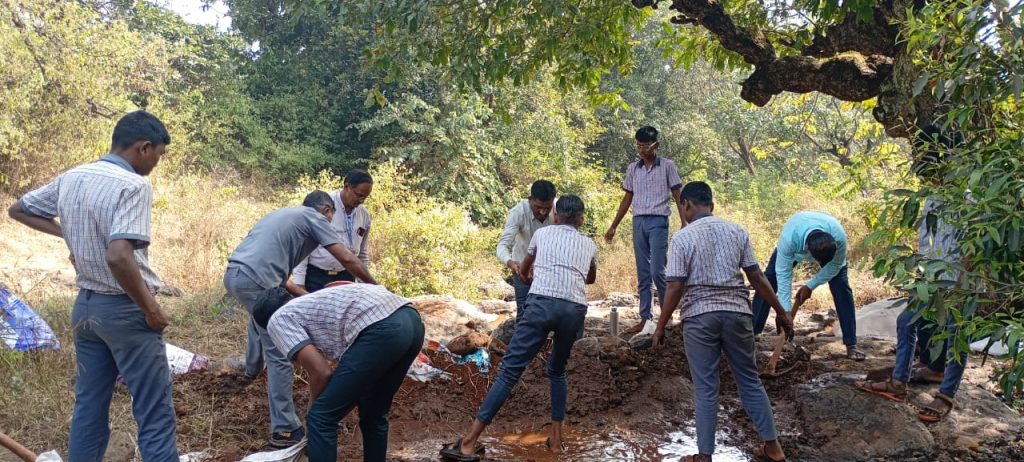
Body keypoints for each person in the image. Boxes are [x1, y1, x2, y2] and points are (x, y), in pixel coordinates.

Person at [7, 111, 179, 461]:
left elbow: (19, 208)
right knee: (154, 411)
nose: (156, 164)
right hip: (125, 310)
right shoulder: (133, 185)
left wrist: (66, 234)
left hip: (86, 309)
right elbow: (119, 256)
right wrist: (151, 308)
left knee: (89, 406)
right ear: (144, 147)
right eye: (159, 156)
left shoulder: (74, 176)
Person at [440, 195, 597, 461]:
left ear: (555, 216)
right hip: (574, 310)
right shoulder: (590, 244)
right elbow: (590, 278)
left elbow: (524, 271)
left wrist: (529, 276)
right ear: (581, 220)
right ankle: (556, 441)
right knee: (557, 371)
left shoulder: (543, 234)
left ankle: (468, 443)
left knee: (509, 372)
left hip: (541, 305)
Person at [223, 191, 378, 448]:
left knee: (260, 316)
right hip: (257, 280)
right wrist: (375, 286)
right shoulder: (314, 217)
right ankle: (284, 429)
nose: (328, 224)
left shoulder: (283, 215)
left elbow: (280, 277)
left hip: (236, 274)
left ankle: (251, 368)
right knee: (280, 353)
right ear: (326, 210)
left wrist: (303, 295)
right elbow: (347, 257)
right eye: (330, 218)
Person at [652, 181, 793, 462]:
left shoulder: (682, 238)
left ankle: (704, 456)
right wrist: (781, 311)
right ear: (712, 206)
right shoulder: (736, 231)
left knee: (706, 387)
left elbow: (675, 286)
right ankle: (774, 449)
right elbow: (757, 277)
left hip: (699, 318)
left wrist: (660, 327)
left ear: (687, 205)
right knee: (750, 382)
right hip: (738, 313)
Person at [855, 124, 968, 422]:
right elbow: (925, 241)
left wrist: (962, 282)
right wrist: (919, 276)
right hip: (932, 279)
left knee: (958, 334)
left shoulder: (968, 197)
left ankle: (946, 395)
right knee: (907, 321)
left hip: (960, 280)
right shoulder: (933, 196)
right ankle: (898, 382)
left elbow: (974, 245)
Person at [252, 282, 424, 462]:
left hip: (381, 329)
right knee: (373, 414)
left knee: (320, 419)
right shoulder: (313, 303)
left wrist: (314, 412)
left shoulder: (278, 319)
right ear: (289, 298)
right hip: (411, 321)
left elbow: (321, 372)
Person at [750, 211, 866, 361]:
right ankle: (752, 333)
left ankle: (851, 344)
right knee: (768, 281)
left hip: (833, 258)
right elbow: (783, 275)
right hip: (794, 241)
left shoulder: (839, 238)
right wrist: (785, 312)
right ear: (807, 250)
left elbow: (835, 265)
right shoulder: (789, 239)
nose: (819, 265)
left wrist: (810, 285)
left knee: (842, 287)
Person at [604, 126, 685, 335]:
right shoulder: (633, 169)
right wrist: (614, 225)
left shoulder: (667, 166)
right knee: (643, 272)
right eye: (638, 146)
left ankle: (666, 317)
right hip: (638, 220)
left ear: (656, 145)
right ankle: (644, 318)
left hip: (659, 220)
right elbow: (627, 198)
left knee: (658, 269)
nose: (641, 150)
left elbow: (677, 195)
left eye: (645, 146)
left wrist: (685, 223)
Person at [288, 170, 374, 294]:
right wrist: (299, 284)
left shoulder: (364, 215)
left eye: (365, 197)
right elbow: (303, 248)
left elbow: (362, 254)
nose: (361, 200)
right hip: (317, 276)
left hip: (346, 276)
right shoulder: (324, 206)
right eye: (359, 195)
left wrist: (365, 286)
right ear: (347, 186)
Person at [496, 179, 556, 316]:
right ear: (530, 200)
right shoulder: (518, 213)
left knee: (550, 315)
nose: (543, 212)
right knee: (524, 314)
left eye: (547, 208)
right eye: (538, 207)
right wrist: (511, 263)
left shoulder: (559, 209)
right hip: (523, 272)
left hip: (550, 271)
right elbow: (503, 245)